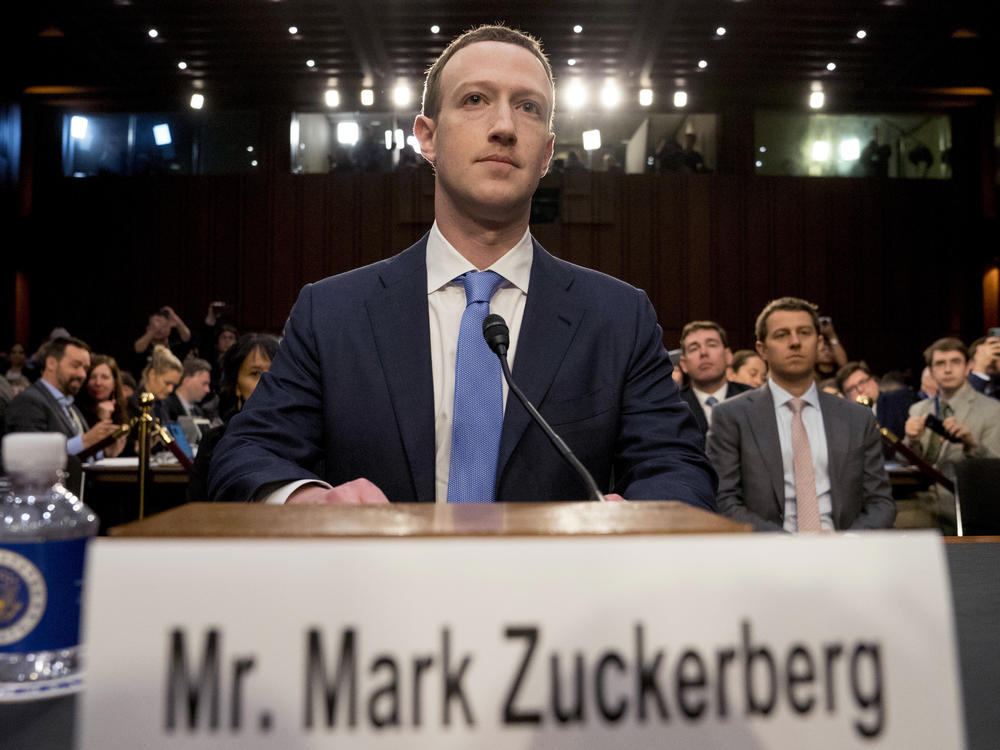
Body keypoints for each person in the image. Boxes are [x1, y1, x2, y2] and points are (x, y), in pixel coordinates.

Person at [210, 24, 716, 509]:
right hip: (379, 589)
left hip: (560, 591)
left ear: (547, 153)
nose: (503, 127)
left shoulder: (617, 317)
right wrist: (308, 500)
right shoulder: (333, 311)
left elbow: (679, 467)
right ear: (426, 138)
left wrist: (637, 516)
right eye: (475, 100)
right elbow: (245, 455)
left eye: (528, 107)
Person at [706, 297, 895, 532]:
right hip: (766, 554)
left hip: (844, 553)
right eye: (782, 335)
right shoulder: (731, 416)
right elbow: (723, 501)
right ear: (762, 349)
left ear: (818, 342)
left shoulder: (857, 418)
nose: (795, 342)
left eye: (804, 333)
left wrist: (847, 544)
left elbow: (880, 504)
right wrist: (789, 547)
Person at [903, 338, 1000, 531]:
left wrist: (972, 446)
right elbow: (904, 463)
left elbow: (996, 469)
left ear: (968, 367)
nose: (947, 370)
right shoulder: (918, 409)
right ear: (930, 372)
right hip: (921, 502)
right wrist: (911, 442)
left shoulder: (992, 410)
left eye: (955, 362)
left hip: (968, 503)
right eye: (940, 363)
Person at [4, 337, 120, 494]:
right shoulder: (28, 402)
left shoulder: (70, 405)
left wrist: (103, 450)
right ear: (51, 363)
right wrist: (86, 440)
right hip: (46, 506)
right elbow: (30, 460)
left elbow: (80, 454)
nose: (82, 374)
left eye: (85, 368)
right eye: (75, 366)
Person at [188, 334, 279, 502]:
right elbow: (198, 509)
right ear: (236, 385)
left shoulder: (306, 441)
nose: (267, 381)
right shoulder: (215, 441)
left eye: (274, 372)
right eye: (255, 373)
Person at [677, 321, 750, 437]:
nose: (703, 353)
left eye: (711, 345)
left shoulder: (752, 398)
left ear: (728, 356)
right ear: (684, 364)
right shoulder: (673, 406)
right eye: (694, 348)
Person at [836, 360, 917, 439]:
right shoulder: (848, 426)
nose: (860, 389)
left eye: (862, 382)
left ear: (873, 381)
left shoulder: (899, 399)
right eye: (851, 388)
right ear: (845, 397)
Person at [73, 354, 129, 457]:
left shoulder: (126, 410)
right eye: (93, 377)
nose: (98, 383)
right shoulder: (75, 410)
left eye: (105, 377)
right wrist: (103, 419)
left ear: (114, 383)